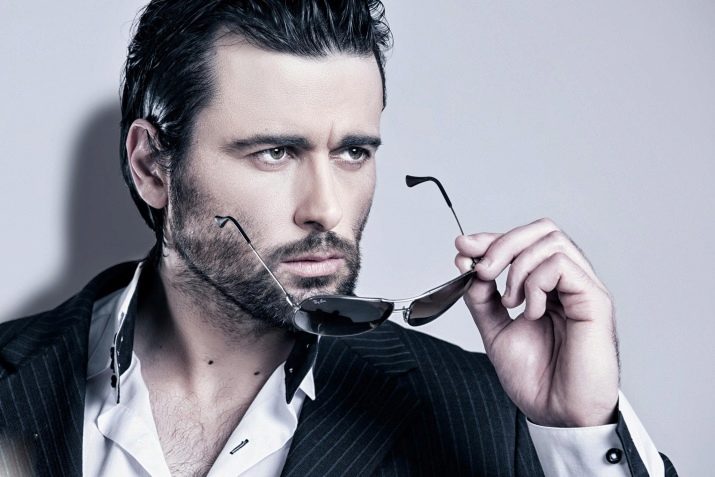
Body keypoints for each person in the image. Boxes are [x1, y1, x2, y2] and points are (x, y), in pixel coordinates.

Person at [0, 1, 678, 476]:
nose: (326, 209)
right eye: (274, 152)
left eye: (353, 152)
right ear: (153, 166)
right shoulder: (14, 383)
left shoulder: (489, 416)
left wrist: (580, 433)